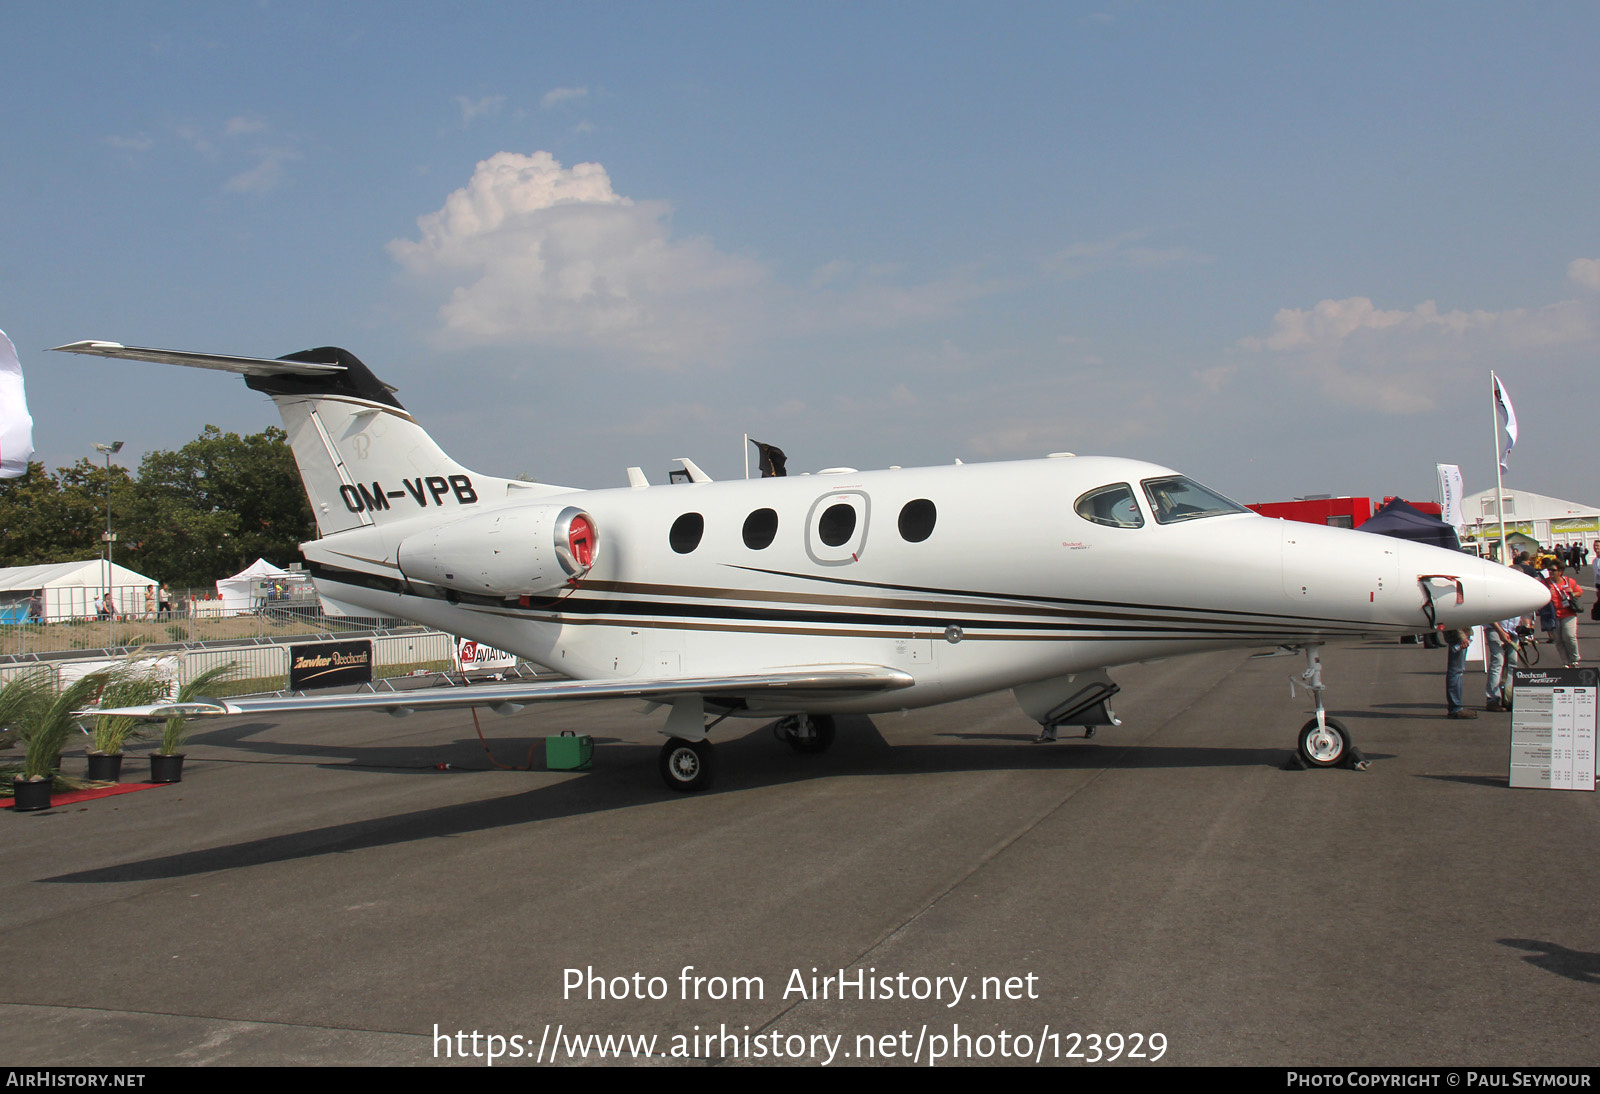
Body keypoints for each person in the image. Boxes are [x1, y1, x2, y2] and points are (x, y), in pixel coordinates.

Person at [1545, 564, 1583, 668]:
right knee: (1558, 639)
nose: (1550, 572)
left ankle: (1574, 659)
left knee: (1569, 636)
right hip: (1553, 615)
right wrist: (1547, 593)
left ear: (1560, 571)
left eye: (1553, 570)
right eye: (1549, 570)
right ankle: (1565, 662)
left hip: (1568, 613)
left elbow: (1579, 592)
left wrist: (1572, 594)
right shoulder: (1545, 583)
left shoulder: (1568, 581)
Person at [1483, 615, 1518, 711]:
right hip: (1495, 628)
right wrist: (1500, 631)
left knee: (1512, 663)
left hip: (1514, 629)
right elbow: (1489, 613)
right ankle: (1492, 699)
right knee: (1498, 661)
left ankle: (1508, 697)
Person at [1445, 626, 1477, 719]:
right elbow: (1453, 618)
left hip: (1460, 634)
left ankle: (1455, 707)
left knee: (1457, 671)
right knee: (1456, 671)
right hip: (1458, 635)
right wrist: (1461, 637)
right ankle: (1455, 708)